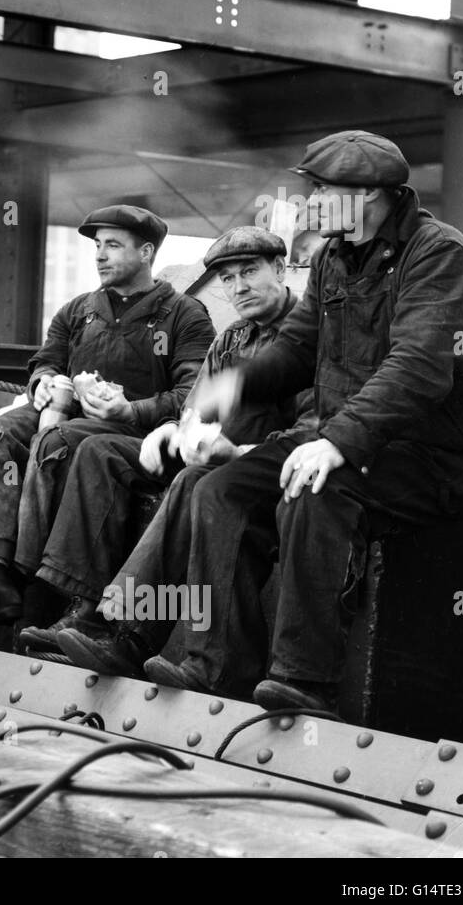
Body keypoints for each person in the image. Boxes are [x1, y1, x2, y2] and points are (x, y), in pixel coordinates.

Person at [144, 130, 463, 713]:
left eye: (322, 191)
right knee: (220, 490)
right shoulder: (332, 259)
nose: (310, 202)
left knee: (316, 487)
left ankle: (303, 680)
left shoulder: (438, 253)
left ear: (368, 194)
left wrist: (338, 440)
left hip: (437, 454)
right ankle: (218, 666)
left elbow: (418, 367)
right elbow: (294, 349)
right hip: (359, 439)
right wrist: (223, 391)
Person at [34, 226, 306, 670]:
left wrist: (235, 454)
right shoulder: (233, 338)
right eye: (229, 279)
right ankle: (88, 614)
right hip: (212, 456)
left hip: (269, 469)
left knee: (193, 483)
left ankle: (130, 637)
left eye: (250, 272)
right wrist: (171, 432)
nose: (239, 288)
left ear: (280, 268)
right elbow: (195, 411)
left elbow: (312, 431)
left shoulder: (307, 339)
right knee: (101, 451)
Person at [0, 205, 216, 628]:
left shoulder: (184, 315)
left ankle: (29, 581)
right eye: (97, 246)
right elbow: (45, 361)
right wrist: (45, 382)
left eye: (113, 245)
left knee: (59, 442)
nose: (100, 255)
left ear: (146, 252)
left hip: (135, 430)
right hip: (67, 415)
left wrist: (131, 408)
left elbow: (193, 395)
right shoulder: (77, 311)